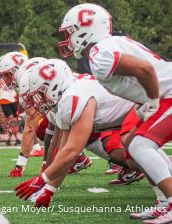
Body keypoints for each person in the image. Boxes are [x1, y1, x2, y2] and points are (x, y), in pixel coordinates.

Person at [58, 3, 172, 222]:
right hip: (164, 92)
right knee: (132, 142)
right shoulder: (106, 47)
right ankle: (166, 202)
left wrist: (151, 99)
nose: (67, 39)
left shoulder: (99, 53)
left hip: (167, 93)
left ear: (86, 29)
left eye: (69, 33)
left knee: (140, 145)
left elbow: (145, 69)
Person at [14, 59, 144, 208]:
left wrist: (42, 179)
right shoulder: (69, 94)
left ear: (54, 86)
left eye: (40, 94)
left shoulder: (72, 97)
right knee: (138, 156)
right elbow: (64, 151)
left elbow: (73, 150)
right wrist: (49, 189)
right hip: (139, 108)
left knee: (139, 154)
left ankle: (166, 200)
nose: (38, 101)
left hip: (149, 102)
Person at [0, 52, 27, 146]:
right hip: (5, 101)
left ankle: (10, 139)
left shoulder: (17, 75)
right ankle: (15, 138)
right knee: (11, 120)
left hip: (14, 99)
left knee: (15, 120)